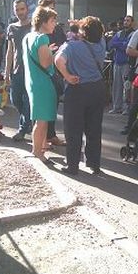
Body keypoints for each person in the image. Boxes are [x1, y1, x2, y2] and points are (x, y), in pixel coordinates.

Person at [55, 16, 106, 175]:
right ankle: (94, 163)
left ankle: (72, 165)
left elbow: (58, 60)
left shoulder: (71, 46)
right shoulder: (101, 44)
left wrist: (68, 76)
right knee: (94, 128)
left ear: (83, 32)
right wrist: (81, 27)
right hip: (97, 89)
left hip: (77, 89)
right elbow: (97, 32)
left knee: (73, 129)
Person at [22, 6, 59, 164]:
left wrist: (48, 51)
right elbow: (45, 63)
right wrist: (57, 54)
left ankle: (38, 149)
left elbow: (37, 57)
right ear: (43, 22)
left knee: (39, 118)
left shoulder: (29, 36)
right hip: (42, 83)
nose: (54, 24)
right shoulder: (42, 38)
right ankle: (38, 152)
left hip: (33, 81)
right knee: (42, 120)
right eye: (52, 21)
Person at [37, 0, 66, 147]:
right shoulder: (36, 33)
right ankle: (40, 141)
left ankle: (49, 135)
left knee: (51, 105)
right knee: (41, 108)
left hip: (54, 71)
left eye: (53, 9)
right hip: (41, 72)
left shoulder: (57, 28)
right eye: (48, 8)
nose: (51, 12)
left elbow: (64, 46)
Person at [5, 0, 32, 142]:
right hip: (16, 70)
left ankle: (22, 129)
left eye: (22, 9)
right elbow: (10, 51)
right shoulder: (11, 28)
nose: (20, 12)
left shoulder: (34, 26)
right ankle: (28, 120)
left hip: (31, 70)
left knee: (28, 100)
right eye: (17, 10)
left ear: (27, 9)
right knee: (14, 99)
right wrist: (6, 73)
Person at [108, 15, 134, 114]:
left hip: (127, 63)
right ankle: (116, 107)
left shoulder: (134, 34)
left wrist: (118, 44)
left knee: (126, 86)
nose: (126, 22)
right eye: (125, 20)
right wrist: (121, 44)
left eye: (128, 20)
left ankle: (126, 107)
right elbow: (110, 44)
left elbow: (127, 47)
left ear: (132, 22)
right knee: (116, 86)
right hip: (117, 62)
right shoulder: (119, 33)